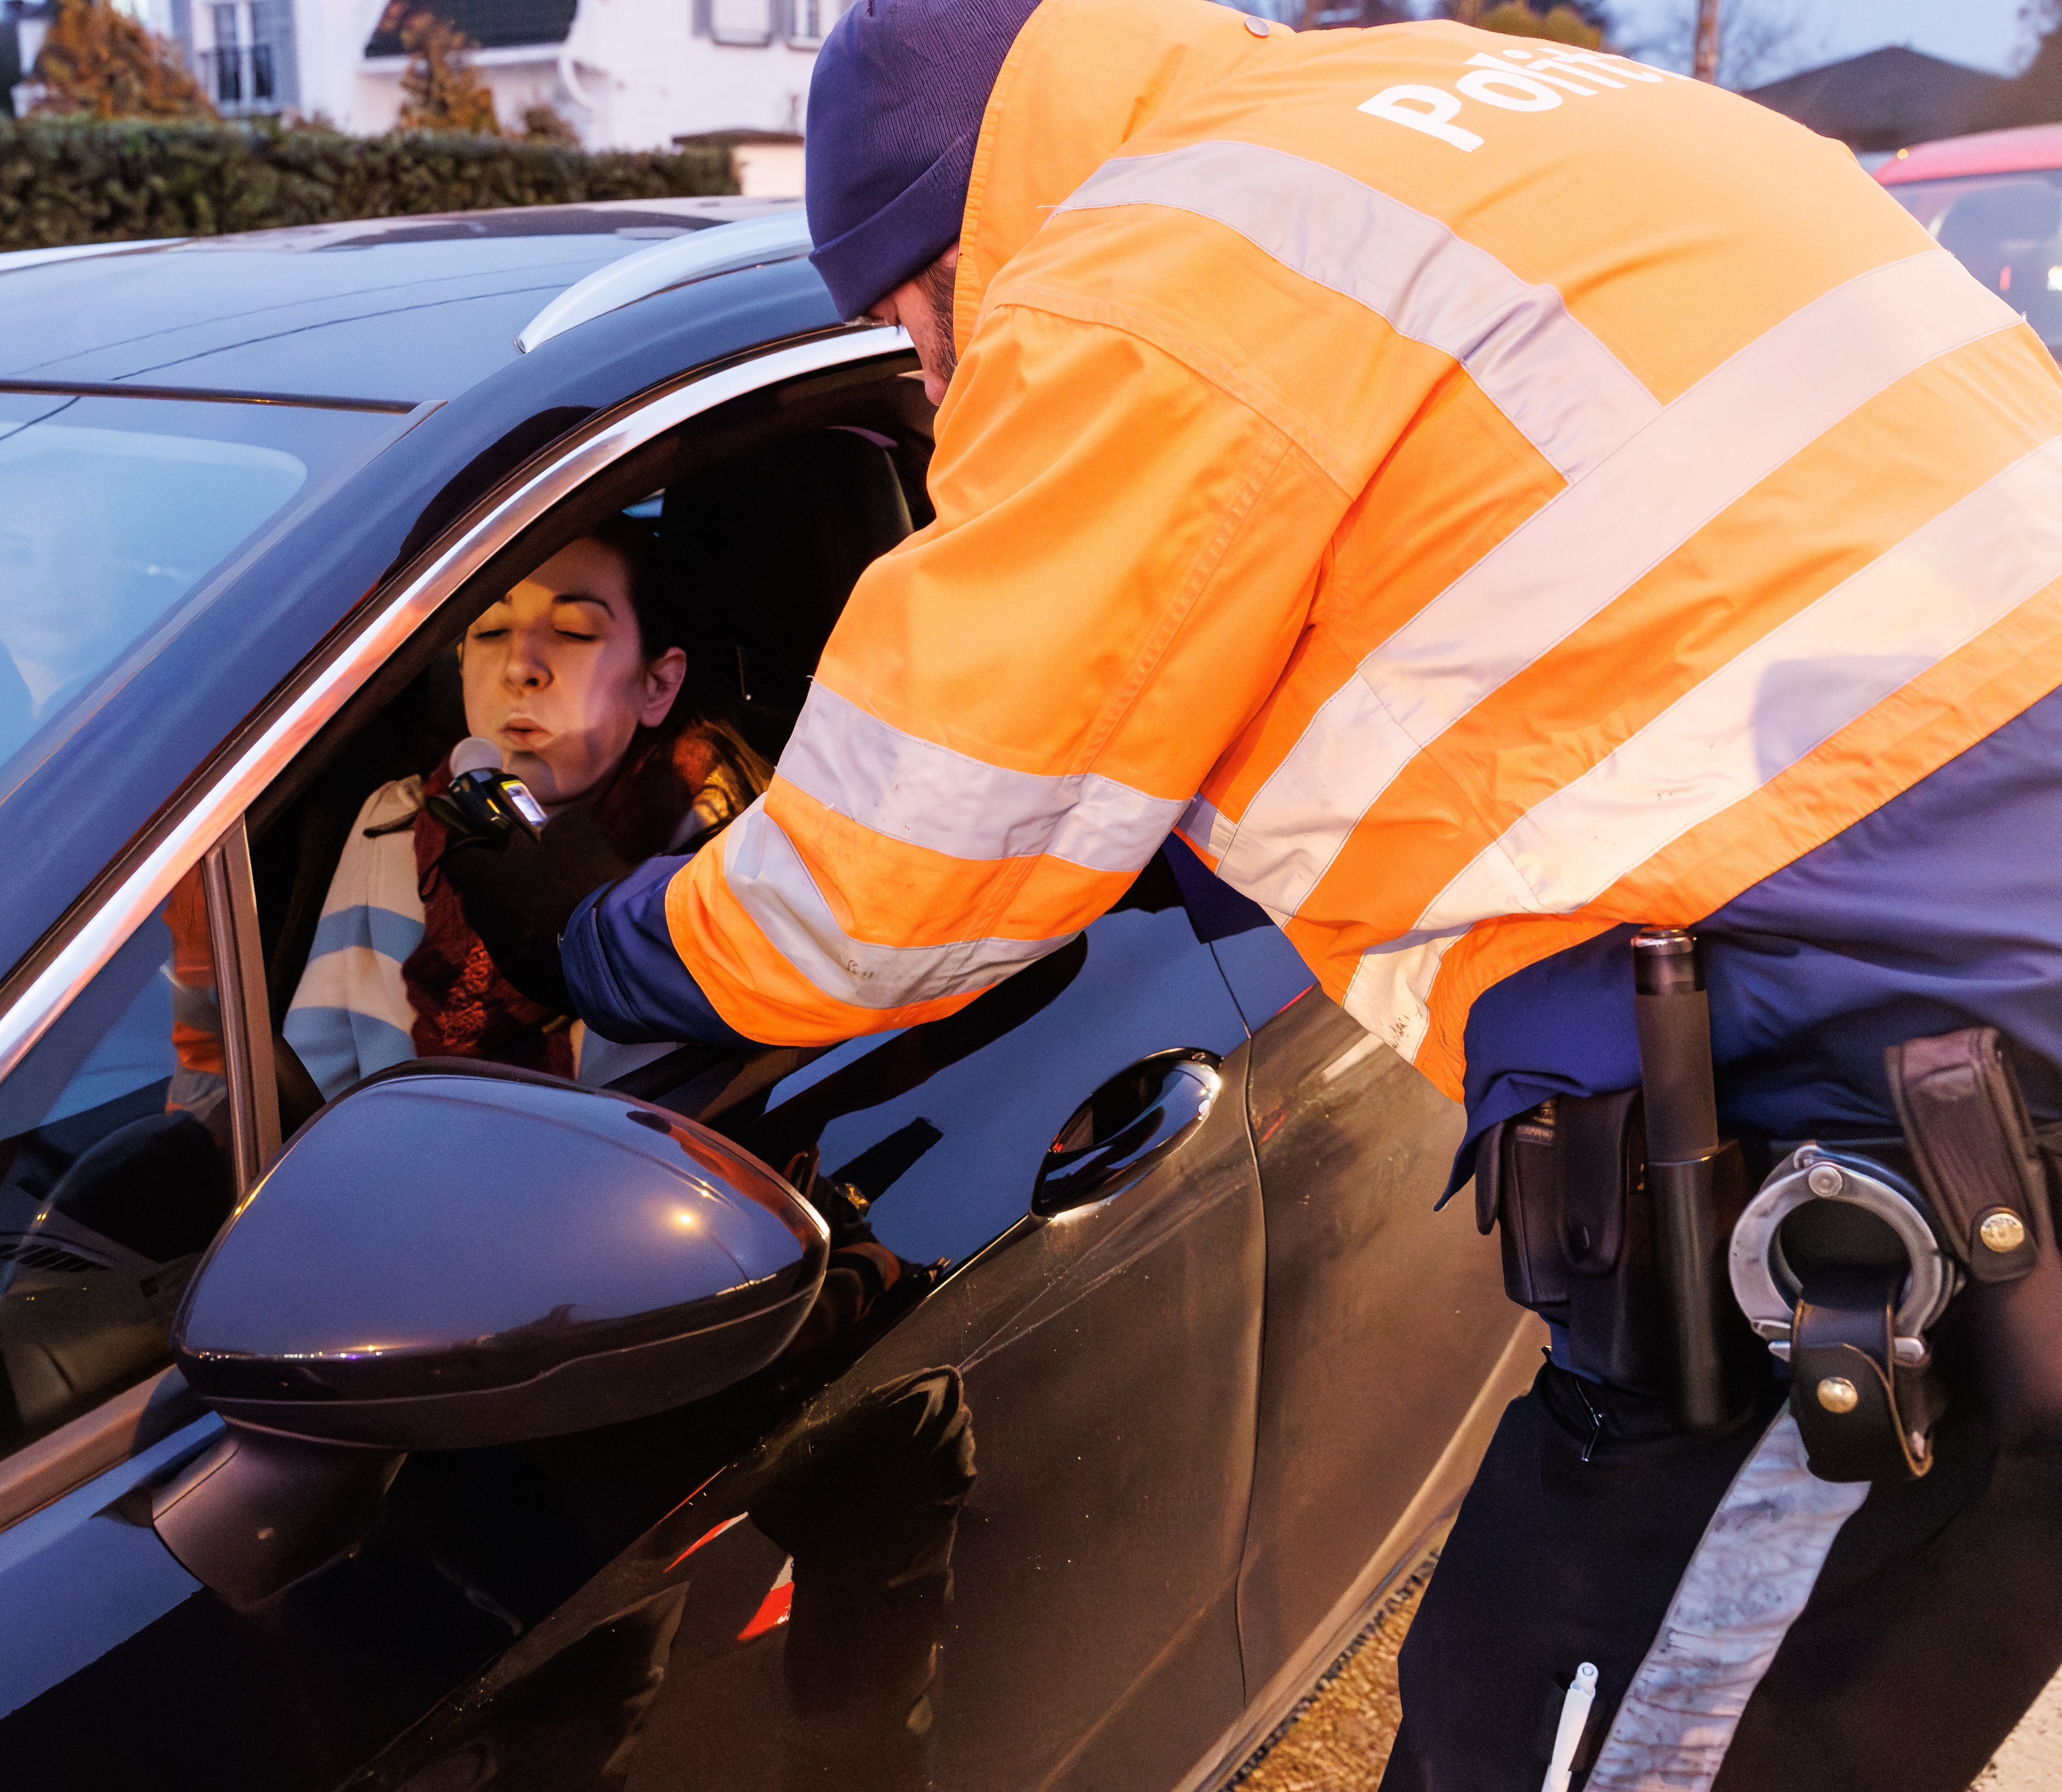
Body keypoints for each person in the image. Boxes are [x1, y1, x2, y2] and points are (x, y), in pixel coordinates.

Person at [435, 1, 2062, 1786]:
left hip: (1888, 1136)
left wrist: (586, 924)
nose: (935, 388)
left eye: (912, 329)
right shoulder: (1492, 114)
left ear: (958, 240)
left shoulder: (1142, 271)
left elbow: (885, 885)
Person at [289, 518, 768, 1098]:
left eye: (573, 630)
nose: (521, 667)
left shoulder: (721, 860)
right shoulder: (394, 825)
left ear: (658, 686)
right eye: (490, 631)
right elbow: (317, 1083)